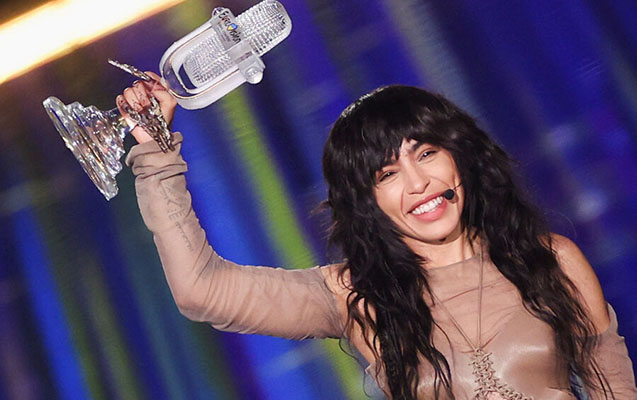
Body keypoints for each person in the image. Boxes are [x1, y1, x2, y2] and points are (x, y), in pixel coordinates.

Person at [116, 76, 636, 399]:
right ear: (367, 200)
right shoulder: (355, 296)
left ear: (459, 157)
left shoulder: (550, 260)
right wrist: (156, 154)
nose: (418, 183)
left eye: (426, 153)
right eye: (387, 174)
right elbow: (201, 289)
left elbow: (613, 388)